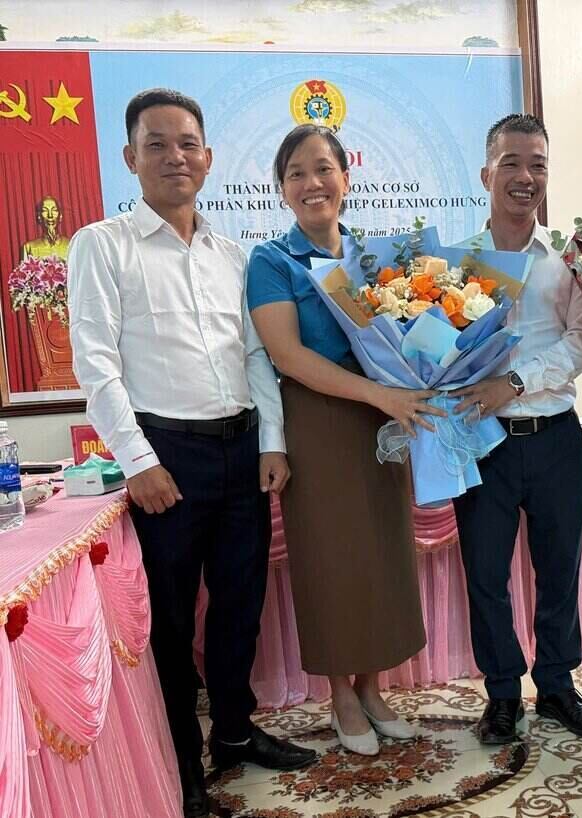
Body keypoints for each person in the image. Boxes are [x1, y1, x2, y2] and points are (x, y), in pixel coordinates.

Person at [68, 89, 316, 818]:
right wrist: (139, 461)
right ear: (130, 158)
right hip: (166, 458)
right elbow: (95, 364)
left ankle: (235, 733)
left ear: (207, 158)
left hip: (241, 451)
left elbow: (253, 355)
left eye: (187, 144)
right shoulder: (101, 244)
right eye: (157, 144)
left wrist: (272, 442)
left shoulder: (231, 253)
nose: (174, 156)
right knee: (172, 624)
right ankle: (182, 765)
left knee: (241, 608)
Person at [247, 124, 437, 757]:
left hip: (384, 420)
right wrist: (380, 395)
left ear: (346, 179)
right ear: (281, 189)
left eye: (324, 168)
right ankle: (340, 694)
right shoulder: (272, 262)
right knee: (331, 560)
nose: (313, 183)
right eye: (297, 173)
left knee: (384, 555)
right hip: (318, 422)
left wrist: (425, 374)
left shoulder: (373, 258)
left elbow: (410, 335)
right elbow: (288, 355)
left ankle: (375, 685)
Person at [449, 113, 582, 744]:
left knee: (558, 570)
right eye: (512, 163)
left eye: (538, 164)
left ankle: (557, 687)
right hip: (482, 445)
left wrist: (514, 383)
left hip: (554, 437)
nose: (525, 177)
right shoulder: (455, 262)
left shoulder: (566, 259)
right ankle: (500, 695)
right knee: (486, 574)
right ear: (487, 172)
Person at [22, 194, 71, 261]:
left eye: (54, 210)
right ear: (39, 217)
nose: (50, 215)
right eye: (45, 210)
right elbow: (23, 270)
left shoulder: (71, 245)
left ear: (60, 216)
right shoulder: (29, 247)